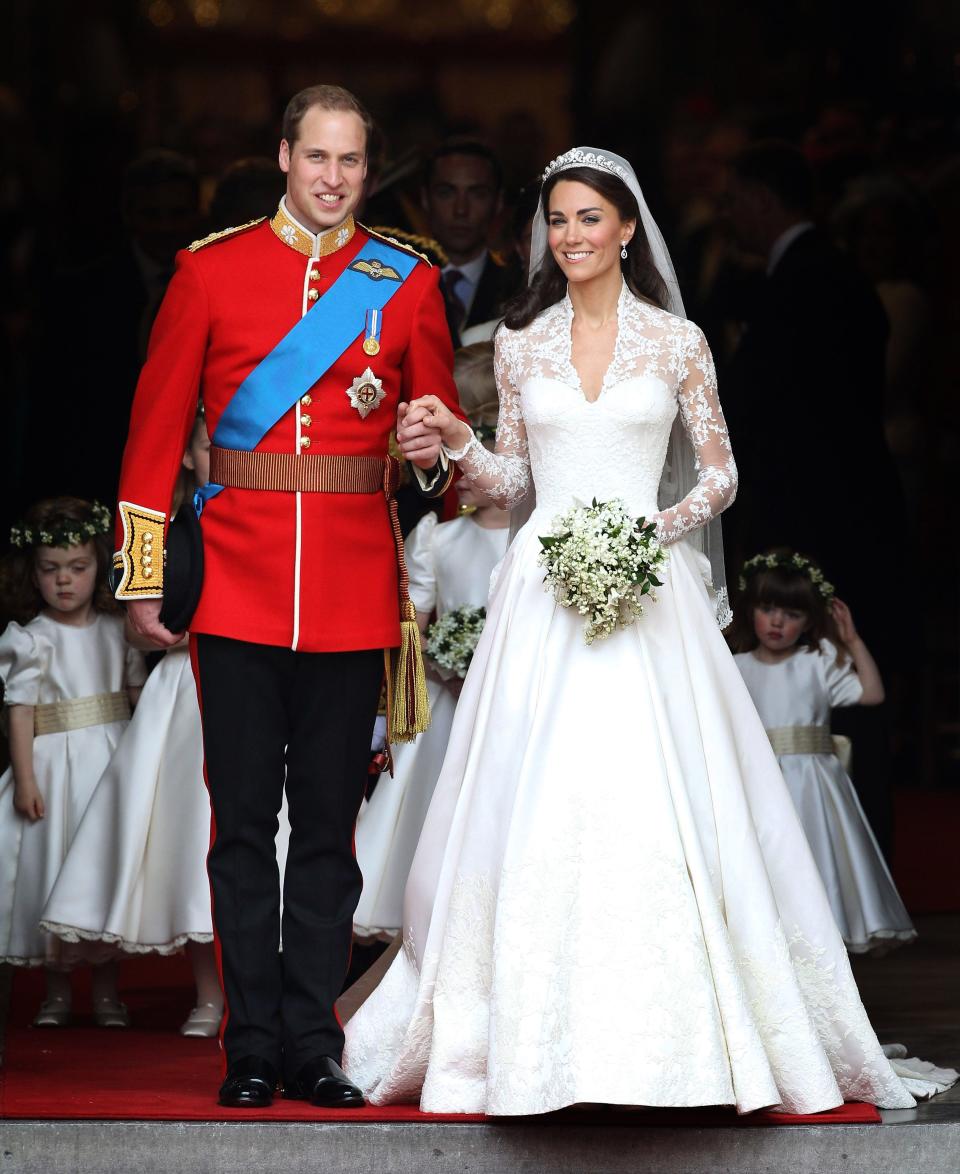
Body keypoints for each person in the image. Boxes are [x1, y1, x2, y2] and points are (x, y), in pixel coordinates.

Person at [341, 147, 954, 1115]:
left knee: (659, 801)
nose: (573, 235)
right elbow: (510, 485)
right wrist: (460, 442)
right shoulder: (518, 342)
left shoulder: (678, 343)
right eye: (558, 219)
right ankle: (528, 1041)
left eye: (591, 218)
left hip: (645, 590)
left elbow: (719, 476)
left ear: (628, 229)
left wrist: (644, 535)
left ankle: (679, 1042)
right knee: (534, 802)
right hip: (542, 593)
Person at [112, 84, 464, 1110]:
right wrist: (144, 580)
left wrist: (431, 453)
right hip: (234, 589)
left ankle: (315, 1040)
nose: (333, 178)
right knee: (239, 829)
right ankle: (249, 1044)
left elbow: (437, 457)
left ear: (368, 168)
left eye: (351, 162)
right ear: (283, 156)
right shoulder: (209, 272)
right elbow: (152, 435)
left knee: (326, 832)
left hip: (354, 590)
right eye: (317, 157)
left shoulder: (405, 281)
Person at [721, 140, 906, 858]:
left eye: (736, 199)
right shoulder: (820, 274)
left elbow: (772, 408)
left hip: (824, 521)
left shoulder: (806, 281)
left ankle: (845, 855)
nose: (729, 213)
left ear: (766, 201)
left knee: (837, 682)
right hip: (843, 513)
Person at [39, 413, 224, 1037]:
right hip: (184, 692)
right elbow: (131, 621)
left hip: (260, 684)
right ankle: (207, 994)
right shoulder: (161, 532)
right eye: (211, 444)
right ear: (189, 458)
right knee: (186, 837)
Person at [353, 342, 510, 942]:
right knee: (432, 801)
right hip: (448, 697)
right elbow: (415, 613)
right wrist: (440, 653)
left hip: (507, 694)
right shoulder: (438, 538)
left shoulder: (532, 539)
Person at [0, 497, 146, 1026]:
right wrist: (24, 778)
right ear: (33, 574)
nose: (64, 581)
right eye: (50, 570)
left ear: (99, 567)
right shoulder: (30, 639)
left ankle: (107, 992)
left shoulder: (119, 630)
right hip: (54, 770)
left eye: (78, 568)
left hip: (109, 763)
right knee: (54, 869)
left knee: (103, 871)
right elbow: (20, 711)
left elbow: (138, 698)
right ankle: (56, 993)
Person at [729, 552, 916, 955]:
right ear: (751, 611)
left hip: (813, 782)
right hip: (760, 780)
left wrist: (851, 640)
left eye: (792, 613)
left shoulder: (819, 660)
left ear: (811, 621)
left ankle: (818, 945)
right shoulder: (735, 666)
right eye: (767, 609)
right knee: (769, 858)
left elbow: (872, 694)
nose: (778, 622)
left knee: (815, 856)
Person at [422, 139, 521, 337]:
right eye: (446, 193)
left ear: (498, 202)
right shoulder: (396, 279)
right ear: (425, 200)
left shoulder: (519, 287)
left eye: (478, 194)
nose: (461, 210)